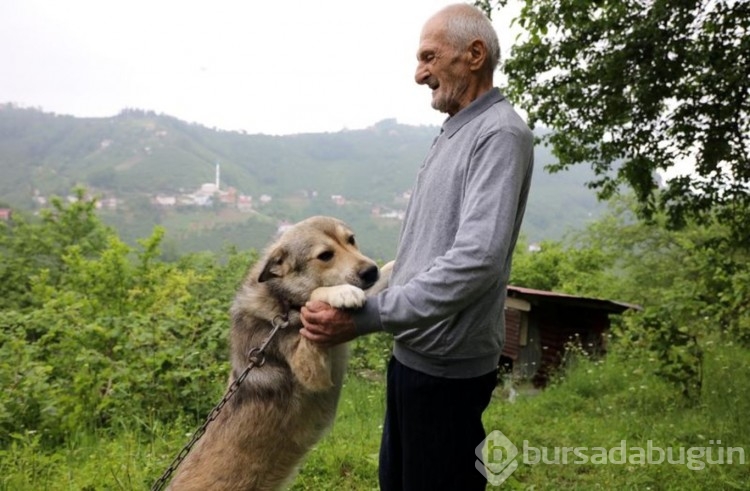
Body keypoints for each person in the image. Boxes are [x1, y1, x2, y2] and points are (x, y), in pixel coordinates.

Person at [301, 3, 534, 490]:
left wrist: (366, 318)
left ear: (473, 54)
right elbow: (422, 256)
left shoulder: (499, 134)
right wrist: (362, 297)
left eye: (428, 57)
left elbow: (477, 261)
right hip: (414, 356)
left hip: (448, 370)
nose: (418, 73)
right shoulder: (457, 132)